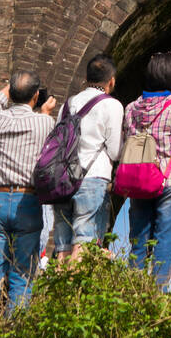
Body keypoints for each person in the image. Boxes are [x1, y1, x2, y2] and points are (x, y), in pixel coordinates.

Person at [0, 73, 57, 315]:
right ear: (36, 96)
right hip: (27, 199)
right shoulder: (45, 123)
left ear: (11, 94)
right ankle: (16, 326)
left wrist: (9, 89)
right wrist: (43, 112)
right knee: (23, 270)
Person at [121, 50, 171, 288]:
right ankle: (156, 294)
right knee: (165, 241)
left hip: (139, 179)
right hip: (170, 179)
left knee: (139, 240)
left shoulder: (132, 107)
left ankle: (133, 292)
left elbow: (126, 143)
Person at [51, 55, 123, 261]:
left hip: (63, 180)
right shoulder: (112, 105)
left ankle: (58, 291)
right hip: (92, 179)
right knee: (85, 244)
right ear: (111, 81)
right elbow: (116, 151)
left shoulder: (68, 104)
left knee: (62, 248)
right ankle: (77, 292)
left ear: (85, 77)